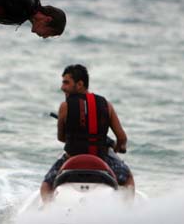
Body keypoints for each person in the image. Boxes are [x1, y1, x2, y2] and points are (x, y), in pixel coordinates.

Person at [40, 64, 134, 201]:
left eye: (66, 83)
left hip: (71, 159)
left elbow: (61, 138)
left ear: (79, 84)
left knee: (46, 185)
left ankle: (48, 209)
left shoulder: (64, 107)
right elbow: (122, 138)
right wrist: (117, 147)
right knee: (128, 179)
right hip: (101, 159)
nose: (62, 87)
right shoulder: (106, 105)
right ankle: (128, 209)